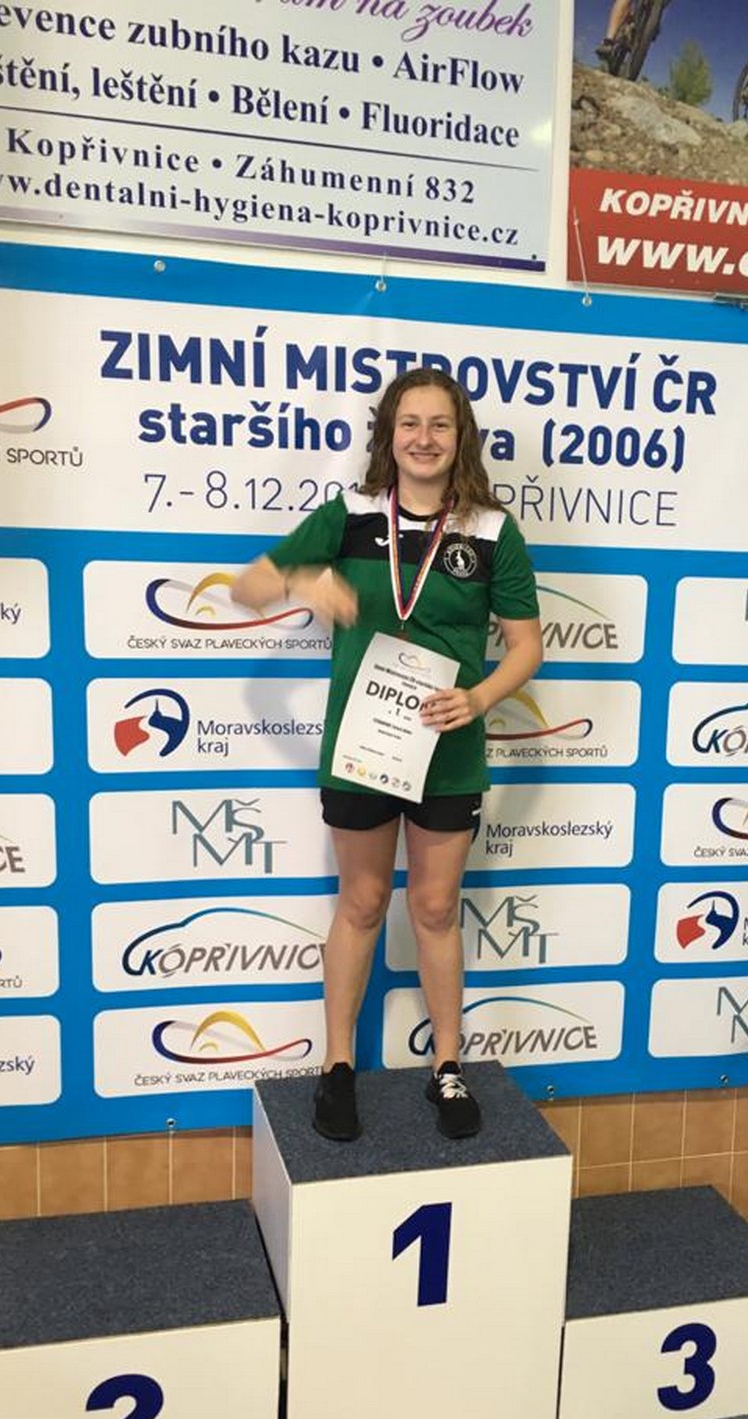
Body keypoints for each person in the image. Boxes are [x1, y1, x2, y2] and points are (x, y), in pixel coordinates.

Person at [231, 369, 543, 1143]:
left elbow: (526, 647)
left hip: (448, 750)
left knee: (434, 909)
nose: (424, 439)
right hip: (363, 750)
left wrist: (478, 698)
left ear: (460, 437)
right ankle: (337, 1066)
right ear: (388, 435)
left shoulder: (492, 531)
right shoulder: (351, 516)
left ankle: (447, 1066)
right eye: (410, 423)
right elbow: (247, 586)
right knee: (363, 903)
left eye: (440, 425)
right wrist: (305, 580)